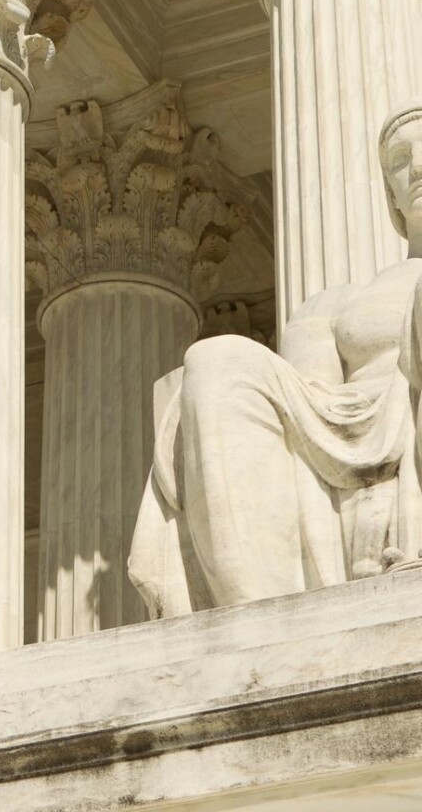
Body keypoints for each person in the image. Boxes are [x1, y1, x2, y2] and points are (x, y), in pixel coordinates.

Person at [130, 106, 422, 615]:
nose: (417, 166)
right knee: (217, 359)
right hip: (349, 443)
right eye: (400, 158)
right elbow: (308, 415)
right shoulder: (335, 305)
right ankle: (261, 626)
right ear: (391, 196)